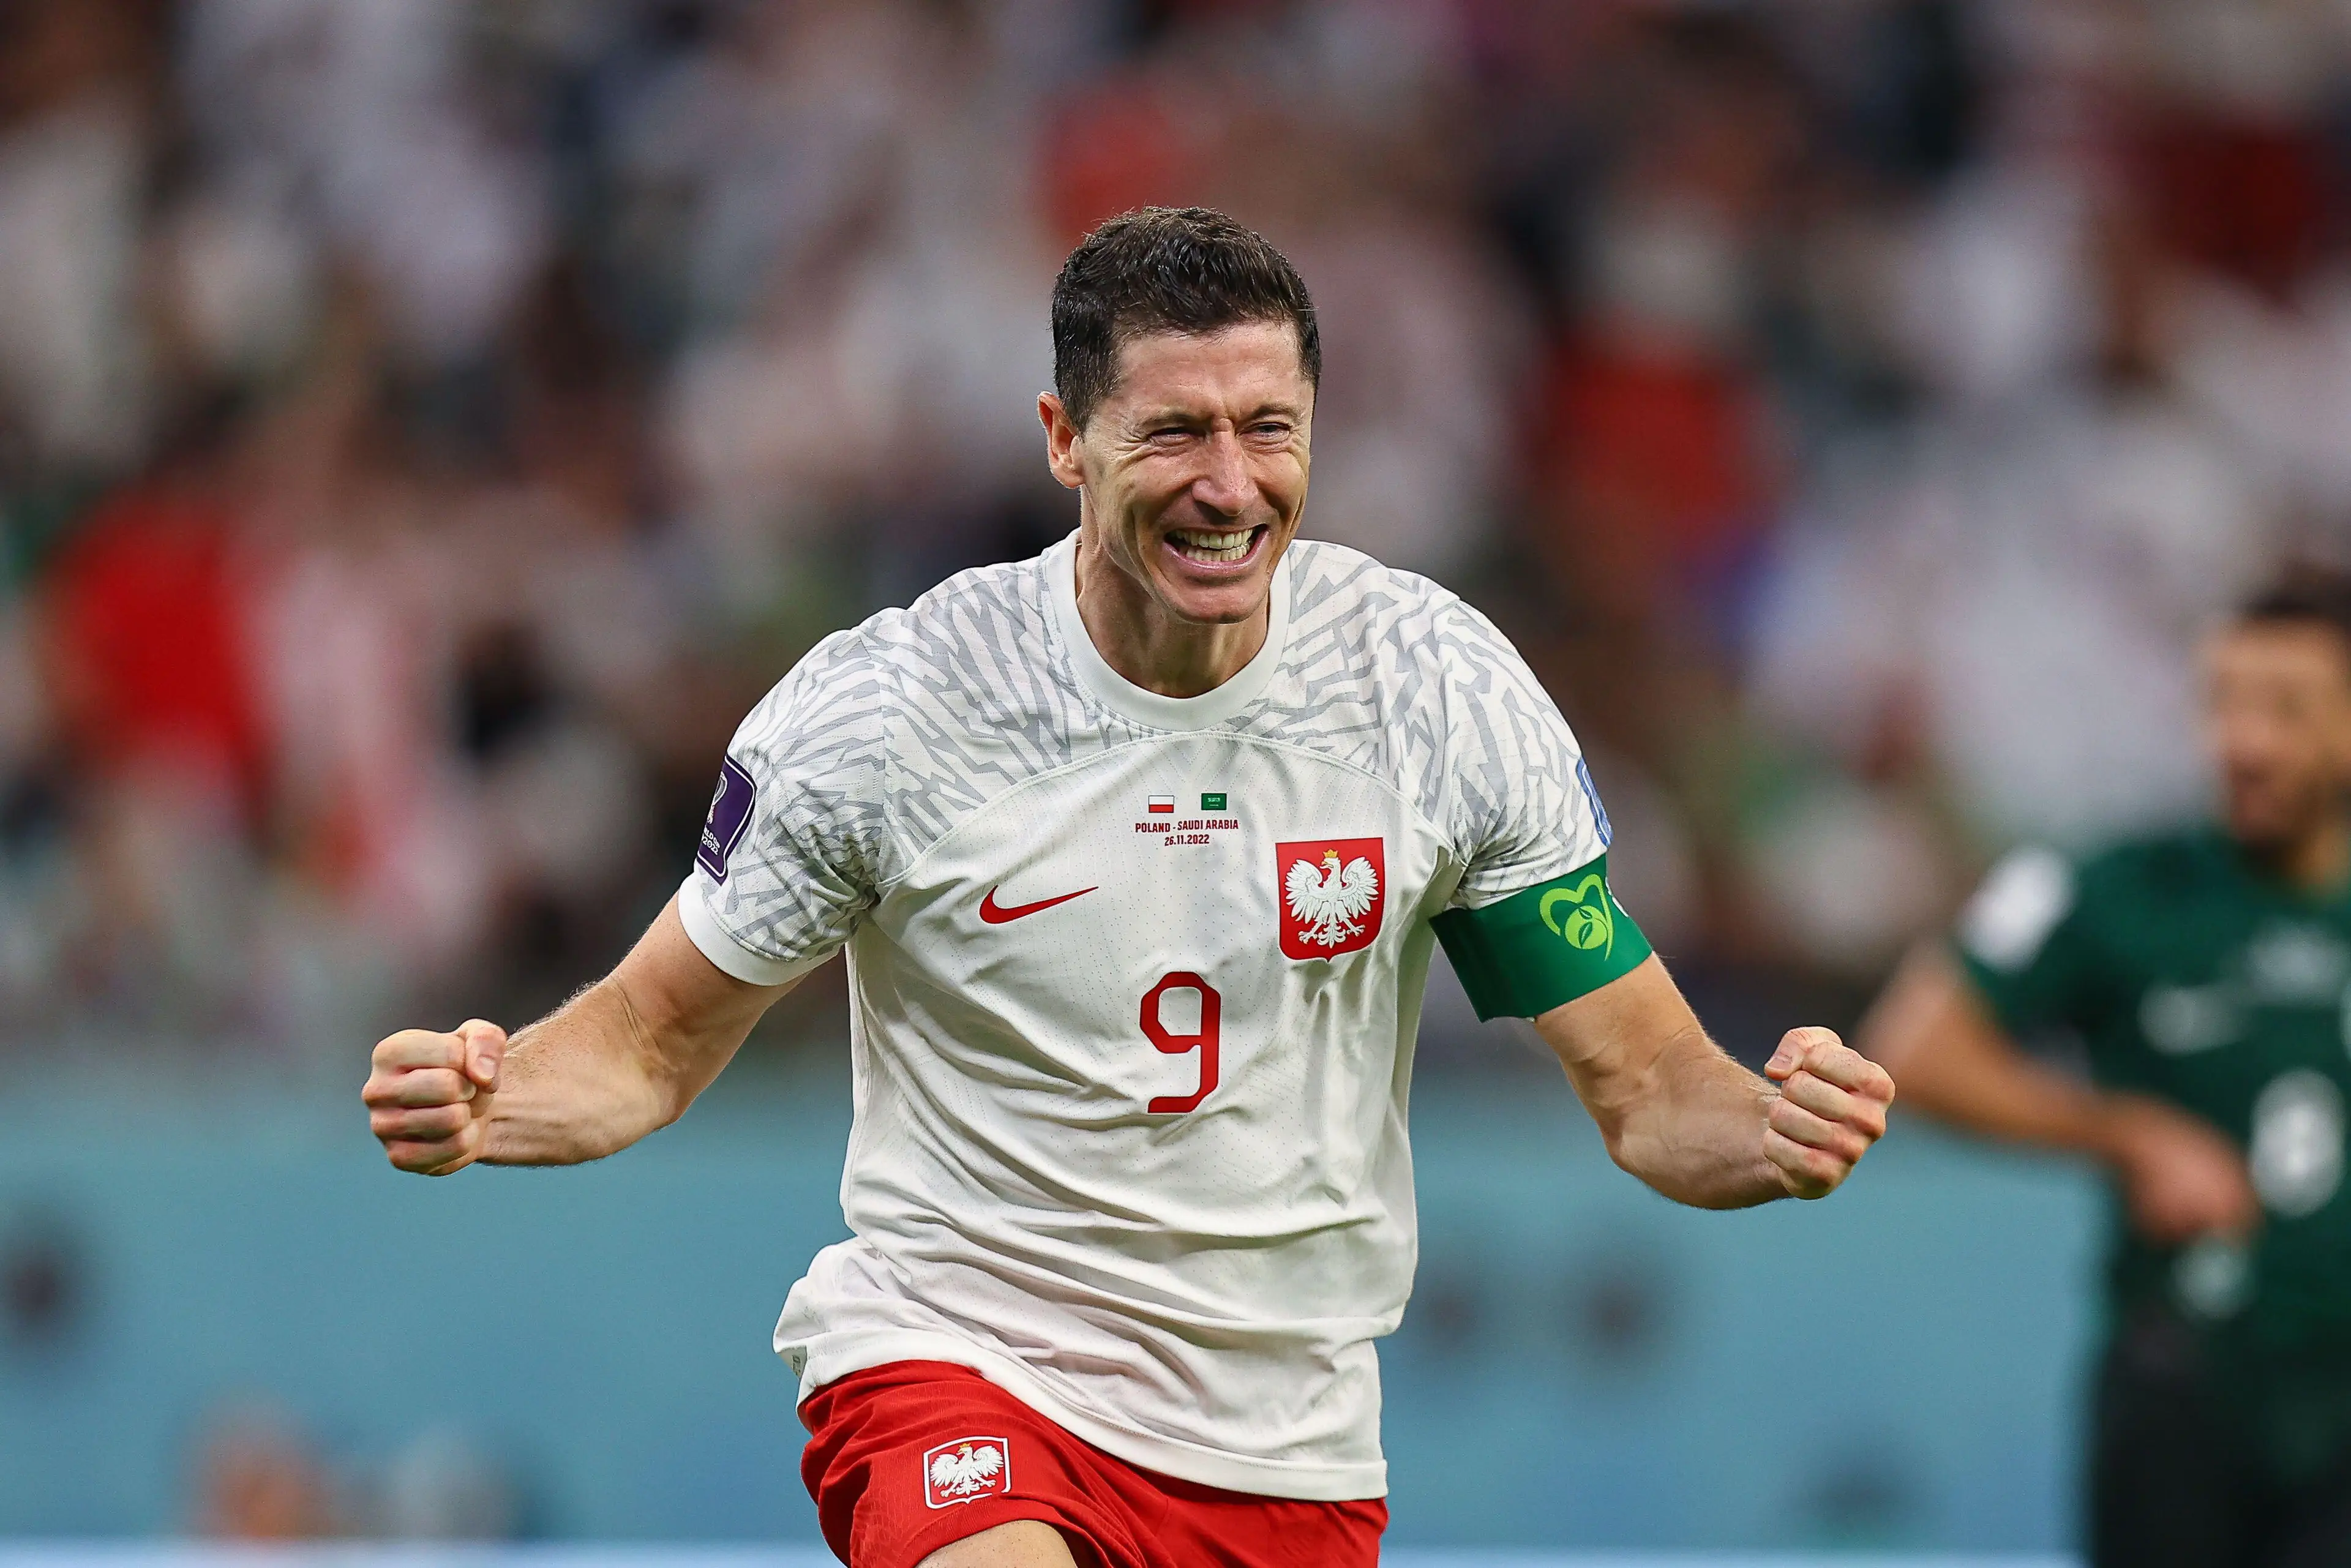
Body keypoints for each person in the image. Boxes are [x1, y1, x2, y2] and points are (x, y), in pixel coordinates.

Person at [362, 207, 1893, 1568]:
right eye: (1174, 433)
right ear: (1062, 436)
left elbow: (1648, 1090)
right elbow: (643, 1043)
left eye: (1268, 427)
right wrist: (493, 1098)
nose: (1231, 486)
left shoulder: (1432, 694)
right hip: (963, 1360)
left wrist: (1767, 1122)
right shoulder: (895, 714)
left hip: (1285, 1447)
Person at [1862, 574, 2351, 1568]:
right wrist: (2128, 1132)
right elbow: (1914, 1046)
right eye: (2224, 704)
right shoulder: (2122, 887)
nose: (2244, 743)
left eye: (2287, 711)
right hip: (2192, 1383)